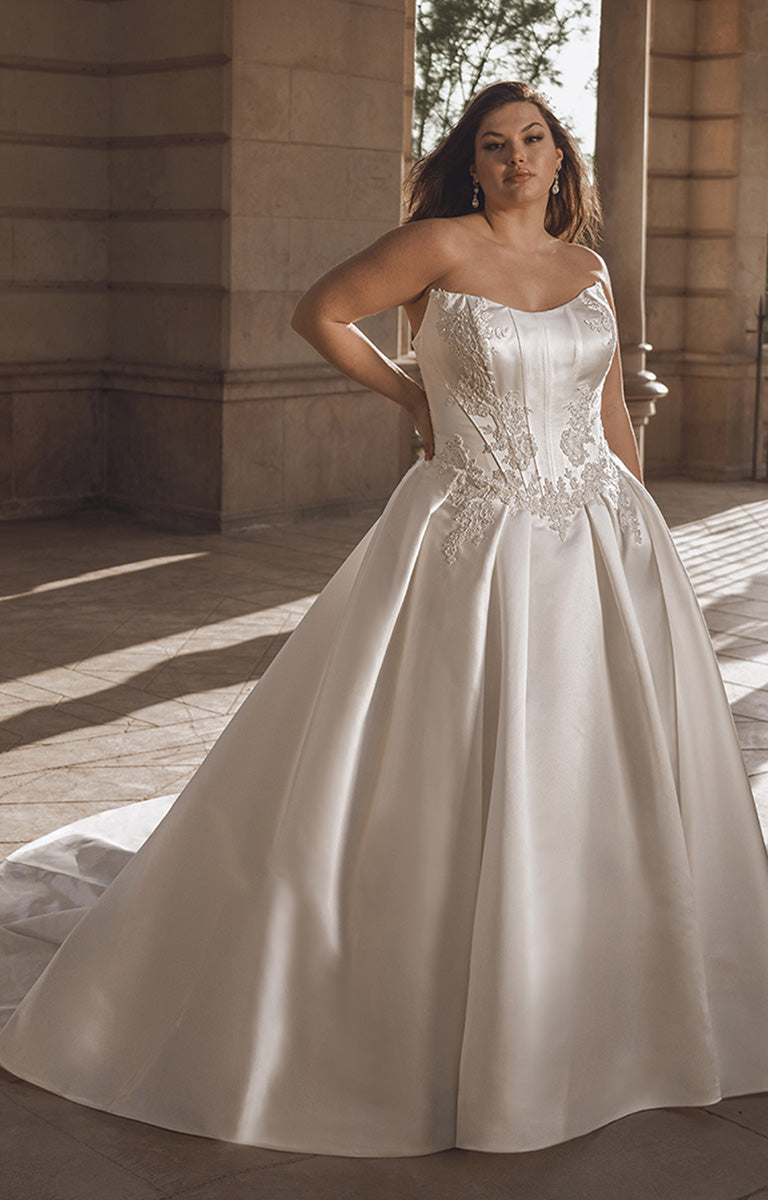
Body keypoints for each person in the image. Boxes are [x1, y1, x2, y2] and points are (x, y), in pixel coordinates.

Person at [1, 80, 768, 1158]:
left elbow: (605, 414)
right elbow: (318, 310)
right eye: (496, 144)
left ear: (560, 157)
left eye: (534, 141)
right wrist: (412, 395)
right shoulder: (439, 246)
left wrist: (646, 540)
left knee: (596, 759)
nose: (516, 160)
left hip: (597, 533)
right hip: (471, 533)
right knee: (448, 750)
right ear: (474, 160)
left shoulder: (588, 266)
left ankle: (603, 994)